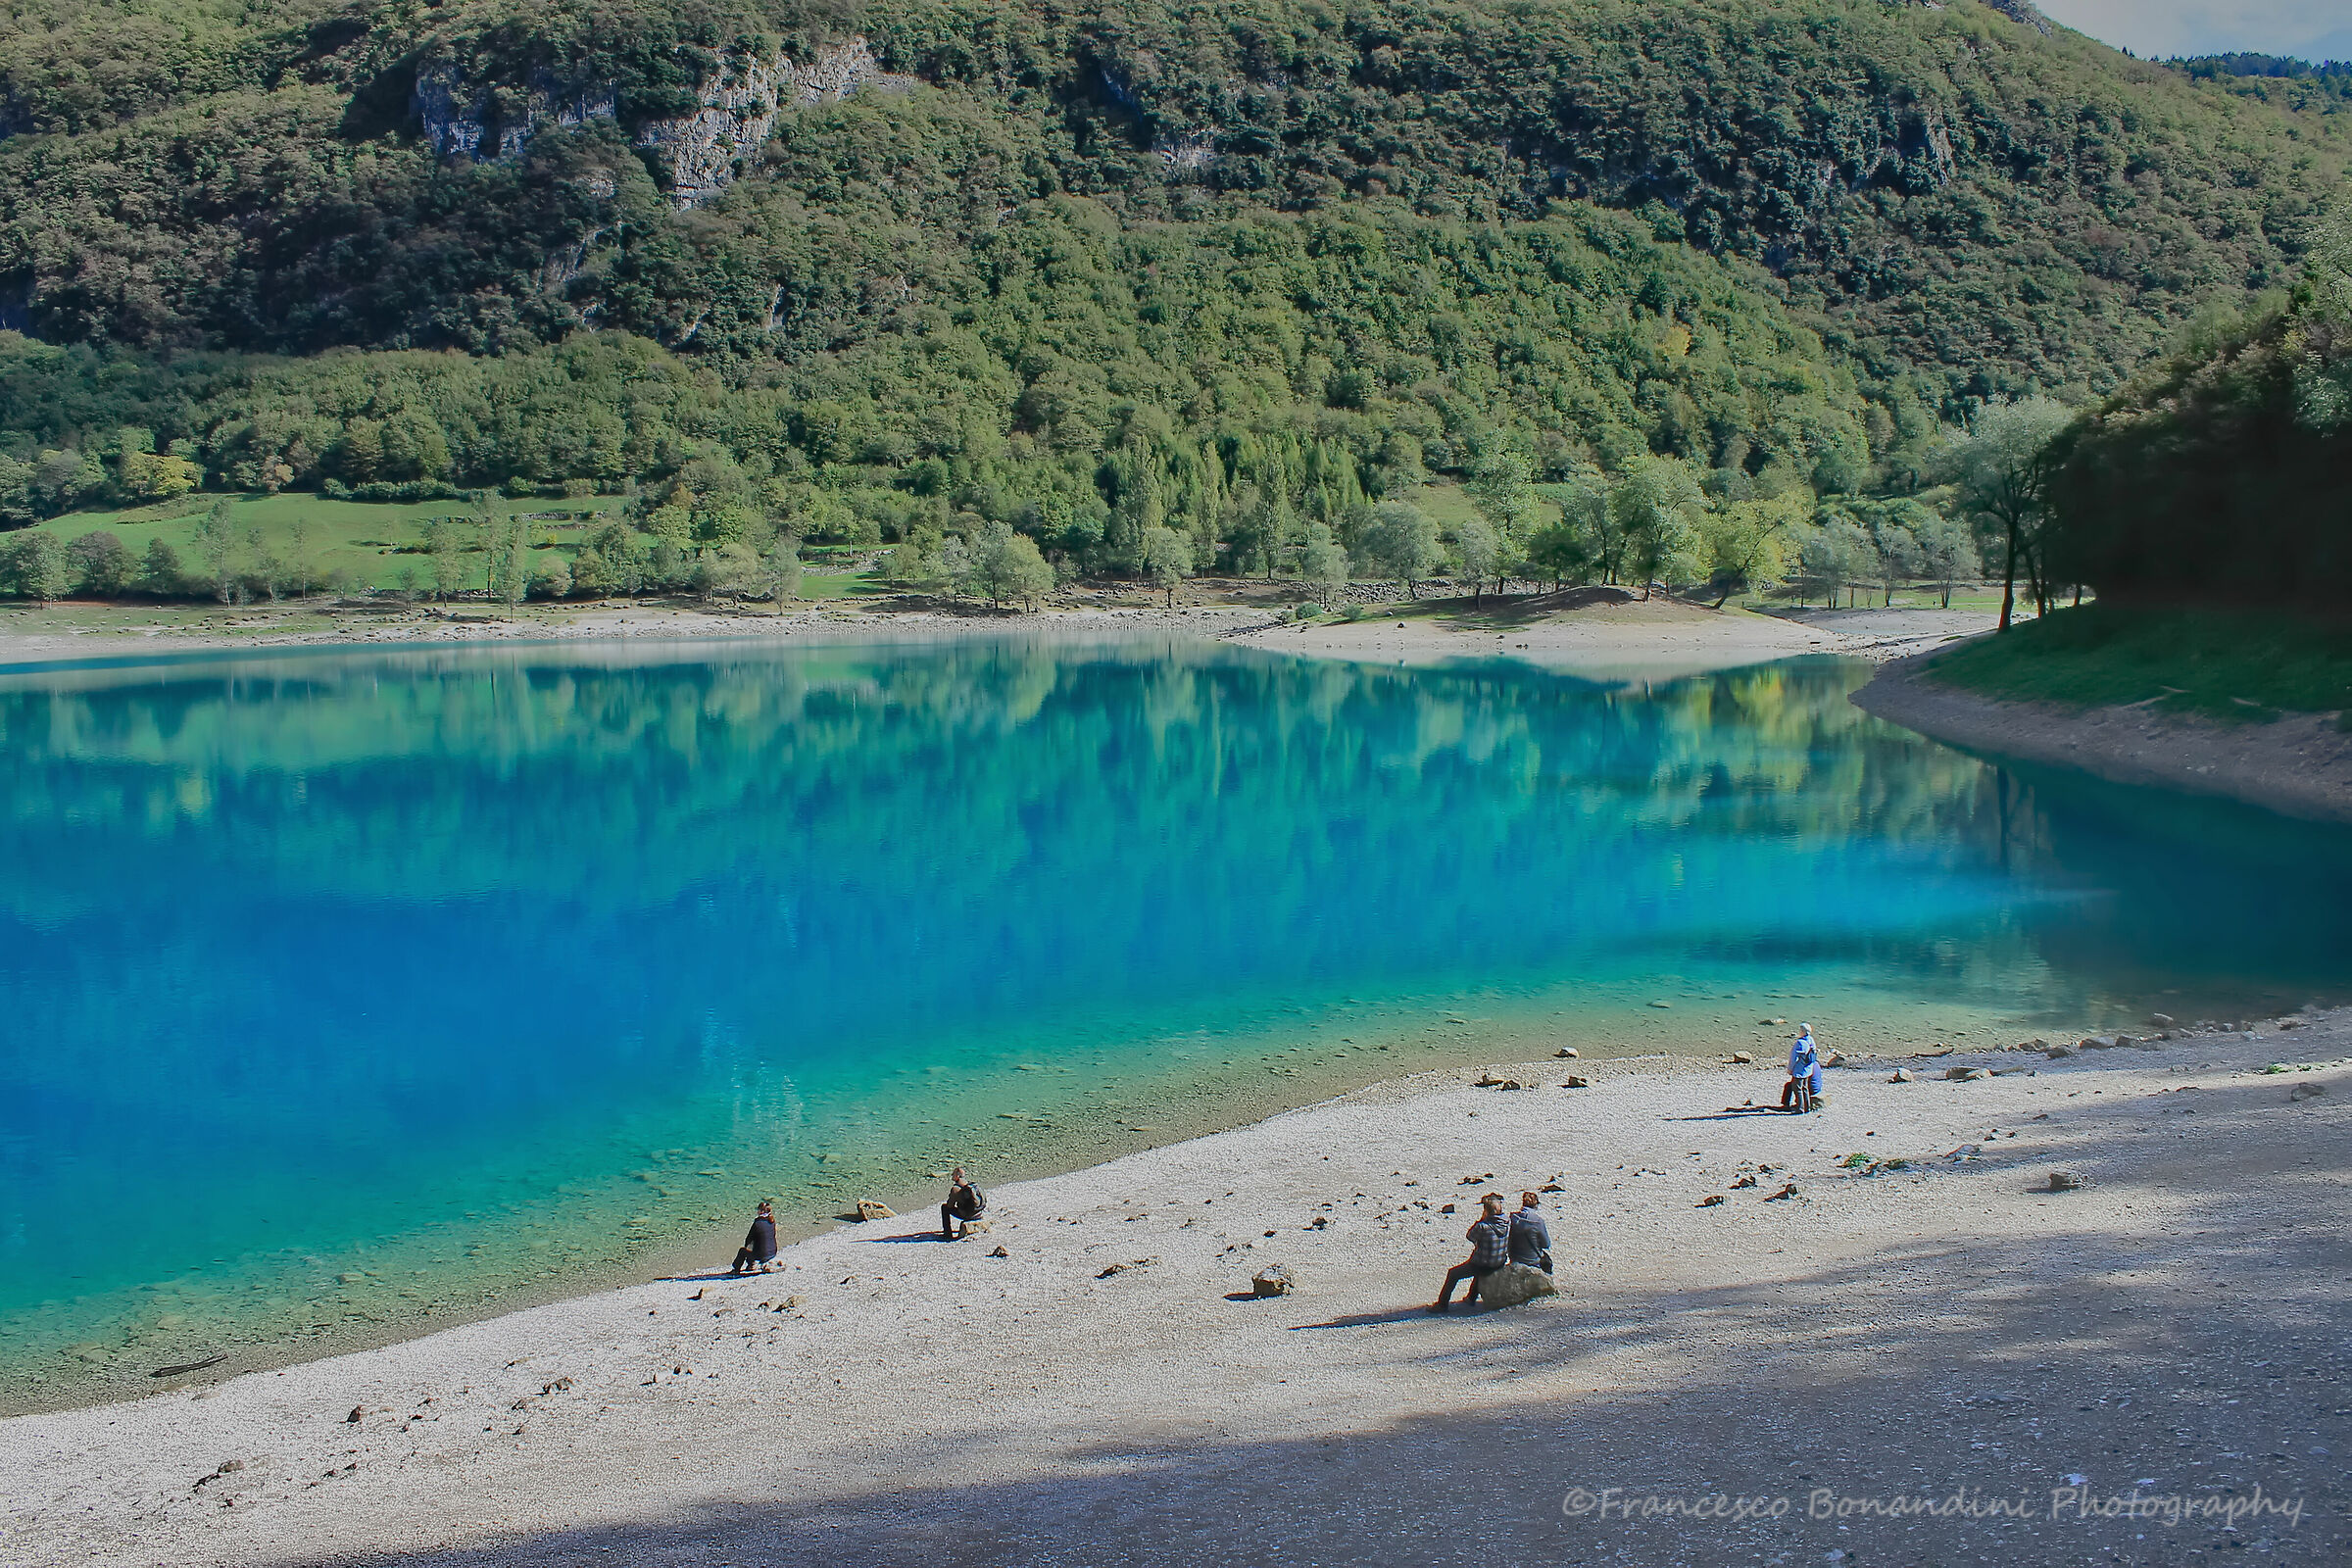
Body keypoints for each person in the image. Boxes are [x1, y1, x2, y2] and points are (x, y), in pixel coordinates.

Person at [1431, 1192, 1512, 1311]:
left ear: (1486, 1211)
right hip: (1499, 1262)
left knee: (1453, 1274)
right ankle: (1471, 1297)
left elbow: (1470, 1236)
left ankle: (1442, 1305)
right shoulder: (1507, 1222)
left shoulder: (1483, 1226)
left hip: (1483, 1264)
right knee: (1481, 1264)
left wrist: (1481, 1219)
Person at [1509, 1190, 1552, 1274]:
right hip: (1533, 1261)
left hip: (1515, 1259)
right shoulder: (1538, 1221)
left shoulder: (1513, 1218)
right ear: (1535, 1205)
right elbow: (1546, 1244)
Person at [729, 1200, 777, 1276]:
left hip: (762, 1255)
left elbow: (748, 1239)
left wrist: (747, 1247)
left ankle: (737, 1269)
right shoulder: (772, 1222)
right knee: (755, 1246)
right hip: (773, 1252)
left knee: (743, 1250)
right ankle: (751, 1265)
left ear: (761, 1211)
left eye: (758, 1210)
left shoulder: (757, 1223)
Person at [1784, 1024, 1824, 1111]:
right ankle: (1807, 1107)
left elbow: (1794, 1058)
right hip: (1808, 1070)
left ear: (1802, 1031)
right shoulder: (1811, 1041)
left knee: (1797, 1089)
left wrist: (1790, 1069)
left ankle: (1800, 1108)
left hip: (1799, 1070)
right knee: (1804, 1088)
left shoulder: (1800, 1043)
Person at [941, 1167, 986, 1240]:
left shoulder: (956, 1188)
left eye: (953, 1174)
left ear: (957, 1176)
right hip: (978, 1213)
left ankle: (947, 1234)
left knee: (944, 1207)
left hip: (969, 1215)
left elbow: (950, 1205)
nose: (952, 1175)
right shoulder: (970, 1184)